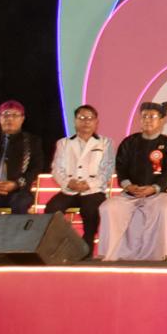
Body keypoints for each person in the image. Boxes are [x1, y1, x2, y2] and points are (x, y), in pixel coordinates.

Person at [96, 101, 167, 261]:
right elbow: (121, 167)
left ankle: (158, 255)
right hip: (130, 194)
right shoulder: (129, 142)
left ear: (162, 120)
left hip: (156, 194)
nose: (147, 120)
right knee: (108, 207)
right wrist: (128, 186)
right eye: (144, 116)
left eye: (152, 116)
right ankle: (110, 254)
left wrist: (153, 188)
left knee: (164, 209)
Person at [44, 104, 115, 255]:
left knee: (91, 210)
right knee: (52, 209)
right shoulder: (64, 143)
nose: (86, 122)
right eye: (81, 118)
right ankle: (62, 245)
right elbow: (56, 168)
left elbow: (107, 169)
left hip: (93, 190)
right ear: (75, 121)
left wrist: (89, 184)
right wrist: (68, 182)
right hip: (69, 189)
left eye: (90, 118)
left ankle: (87, 247)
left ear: (96, 122)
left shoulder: (105, 143)